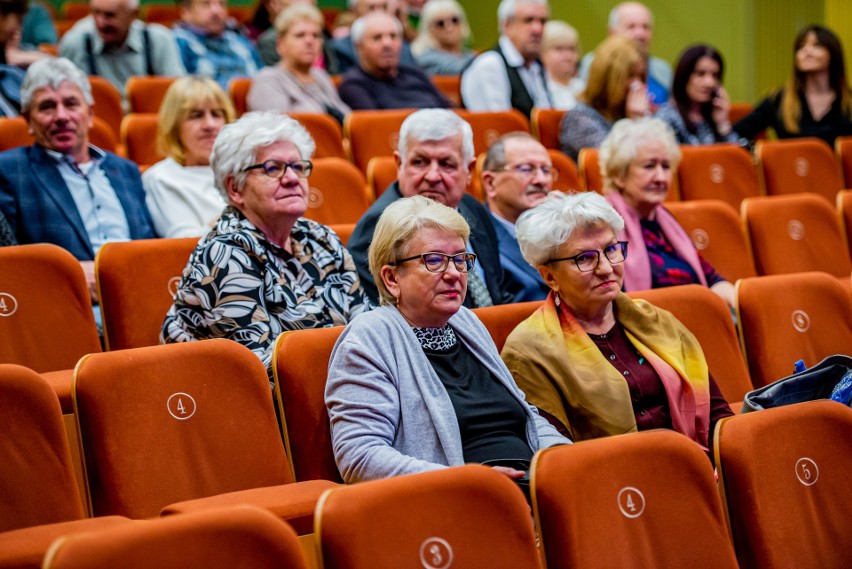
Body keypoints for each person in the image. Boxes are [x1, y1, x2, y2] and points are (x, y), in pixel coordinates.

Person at [326, 195, 570, 484]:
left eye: (460, 259)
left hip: (529, 481)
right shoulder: (368, 340)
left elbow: (526, 416)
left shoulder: (466, 322)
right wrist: (466, 480)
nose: (454, 273)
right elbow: (360, 458)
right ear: (392, 278)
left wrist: (562, 458)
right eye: (434, 261)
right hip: (456, 500)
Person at [501, 190, 734, 455]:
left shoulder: (657, 320)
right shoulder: (529, 351)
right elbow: (559, 458)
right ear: (549, 277)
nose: (606, 268)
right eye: (584, 258)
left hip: (697, 465)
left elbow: (717, 416)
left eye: (611, 249)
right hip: (615, 485)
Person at [161, 111, 371, 374]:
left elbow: (366, 327)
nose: (293, 178)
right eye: (273, 168)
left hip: (339, 388)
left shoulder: (321, 238)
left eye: (298, 166)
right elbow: (261, 371)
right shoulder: (225, 253)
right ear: (235, 188)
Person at [0, 57, 155, 304]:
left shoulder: (126, 171)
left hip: (143, 297)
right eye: (47, 107)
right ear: (28, 120)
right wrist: (67, 275)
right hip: (66, 306)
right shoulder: (9, 171)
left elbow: (151, 247)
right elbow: (10, 265)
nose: (61, 116)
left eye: (71, 103)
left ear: (90, 113)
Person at [348, 108, 512, 307]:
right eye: (419, 162)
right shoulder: (378, 227)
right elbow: (393, 319)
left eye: (446, 164)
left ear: (468, 170)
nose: (432, 176)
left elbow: (499, 294)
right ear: (399, 164)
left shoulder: (472, 208)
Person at [600, 117, 735, 309]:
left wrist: (739, 300)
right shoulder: (604, 224)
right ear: (619, 175)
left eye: (665, 166)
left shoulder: (664, 219)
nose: (661, 177)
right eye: (649, 166)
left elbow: (711, 278)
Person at [143, 75, 235, 238]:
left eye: (217, 114)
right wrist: (243, 211)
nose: (210, 125)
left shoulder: (241, 170)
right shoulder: (161, 178)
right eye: (196, 115)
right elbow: (183, 246)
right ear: (175, 125)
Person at [734, 25, 852, 147]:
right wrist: (761, 153)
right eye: (801, 47)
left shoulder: (849, 101)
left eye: (817, 45)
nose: (807, 51)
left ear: (833, 54)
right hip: (790, 166)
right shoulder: (778, 99)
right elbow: (735, 135)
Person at [59, 0, 185, 99]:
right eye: (96, 13)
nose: (101, 23)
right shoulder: (76, 42)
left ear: (133, 15)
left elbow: (177, 95)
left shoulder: (158, 40)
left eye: (110, 15)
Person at [247, 4, 350, 122]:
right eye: (300, 35)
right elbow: (278, 133)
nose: (309, 41)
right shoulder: (268, 79)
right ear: (280, 44)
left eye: (316, 35)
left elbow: (347, 117)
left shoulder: (320, 76)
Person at [482, 132, 553, 302]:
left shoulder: (561, 232)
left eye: (546, 170)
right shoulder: (476, 242)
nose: (541, 180)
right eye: (526, 169)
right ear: (491, 183)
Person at [559, 35, 648, 161]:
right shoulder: (580, 119)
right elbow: (614, 165)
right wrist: (634, 122)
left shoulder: (625, 113)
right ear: (608, 79)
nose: (637, 84)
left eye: (641, 77)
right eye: (630, 76)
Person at [337, 11, 450, 110]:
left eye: (393, 36)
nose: (387, 44)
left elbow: (454, 112)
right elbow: (374, 129)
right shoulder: (354, 85)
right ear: (359, 47)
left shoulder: (416, 74)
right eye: (377, 37)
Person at [460, 0, 550, 118]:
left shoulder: (537, 65)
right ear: (507, 25)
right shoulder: (489, 65)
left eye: (542, 21)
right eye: (528, 20)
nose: (538, 29)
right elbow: (500, 126)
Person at [578, 2, 672, 106]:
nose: (640, 34)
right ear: (611, 33)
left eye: (646, 27)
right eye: (631, 27)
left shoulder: (662, 69)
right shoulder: (593, 63)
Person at [654, 44, 741, 146]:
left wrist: (723, 124)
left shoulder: (714, 117)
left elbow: (737, 158)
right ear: (684, 77)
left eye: (715, 75)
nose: (710, 83)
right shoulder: (667, 118)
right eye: (700, 74)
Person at [172, 0, 263, 90]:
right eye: (206, 4)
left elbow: (263, 79)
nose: (216, 11)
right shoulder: (177, 44)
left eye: (222, 4)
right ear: (186, 12)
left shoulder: (241, 41)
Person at [330, 0, 417, 73]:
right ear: (354, 11)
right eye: (371, 8)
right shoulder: (339, 49)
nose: (378, 12)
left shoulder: (404, 48)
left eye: (383, 7)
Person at [409, 0, 474, 76]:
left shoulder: (469, 55)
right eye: (440, 23)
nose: (449, 28)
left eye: (454, 20)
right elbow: (457, 69)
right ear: (429, 29)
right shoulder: (427, 59)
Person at [541, 19, 584, 110]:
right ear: (542, 53)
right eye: (559, 49)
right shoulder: (540, 90)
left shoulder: (582, 87)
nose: (568, 56)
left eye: (572, 49)